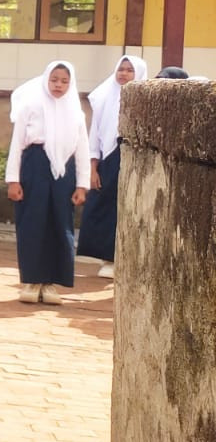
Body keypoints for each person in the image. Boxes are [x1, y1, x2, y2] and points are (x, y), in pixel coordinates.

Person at [6, 60, 91, 304]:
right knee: (32, 222)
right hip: (35, 165)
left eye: (64, 81)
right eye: (54, 80)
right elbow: (17, 145)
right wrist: (13, 180)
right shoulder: (30, 107)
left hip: (64, 171)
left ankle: (52, 283)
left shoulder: (76, 112)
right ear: (46, 80)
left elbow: (82, 149)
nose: (58, 85)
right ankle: (32, 281)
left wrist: (82, 184)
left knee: (60, 224)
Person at [76, 56, 148, 278]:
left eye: (130, 70)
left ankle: (126, 259)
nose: (124, 74)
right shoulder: (103, 98)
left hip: (134, 159)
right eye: (121, 69)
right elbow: (95, 135)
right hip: (109, 159)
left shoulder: (146, 101)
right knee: (104, 207)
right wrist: (93, 168)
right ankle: (108, 258)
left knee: (129, 208)